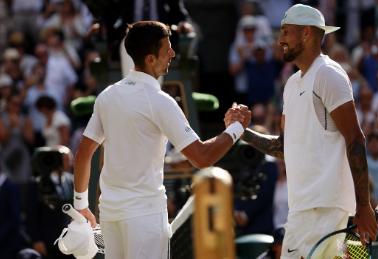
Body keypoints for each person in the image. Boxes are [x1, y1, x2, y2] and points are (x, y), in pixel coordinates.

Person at [72, 21, 250, 259]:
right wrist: (236, 128)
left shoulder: (107, 95)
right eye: (167, 49)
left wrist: (81, 204)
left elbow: (84, 152)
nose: (173, 54)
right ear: (150, 58)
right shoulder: (160, 101)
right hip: (144, 217)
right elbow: (202, 157)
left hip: (110, 214)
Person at [234, 4, 378, 258]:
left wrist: (363, 206)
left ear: (306, 34)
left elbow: (355, 139)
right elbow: (282, 147)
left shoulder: (328, 74)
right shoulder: (291, 84)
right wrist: (243, 131)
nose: (280, 40)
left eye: (286, 32)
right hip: (301, 209)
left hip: (325, 208)